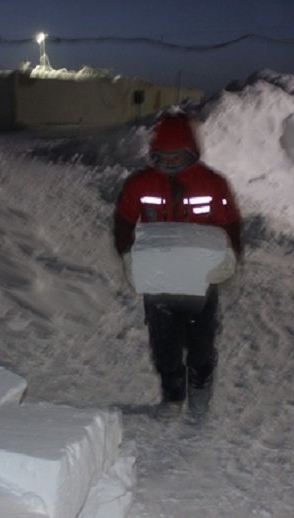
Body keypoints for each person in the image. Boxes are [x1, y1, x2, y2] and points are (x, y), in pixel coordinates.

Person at [113, 113, 242, 419]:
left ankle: (199, 394)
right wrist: (128, 256)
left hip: (201, 280)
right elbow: (124, 222)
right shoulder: (139, 184)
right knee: (164, 344)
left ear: (191, 152)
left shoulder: (213, 184)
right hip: (159, 281)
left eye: (178, 156)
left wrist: (231, 258)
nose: (170, 162)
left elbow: (231, 223)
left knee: (201, 342)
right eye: (163, 156)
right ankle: (172, 398)